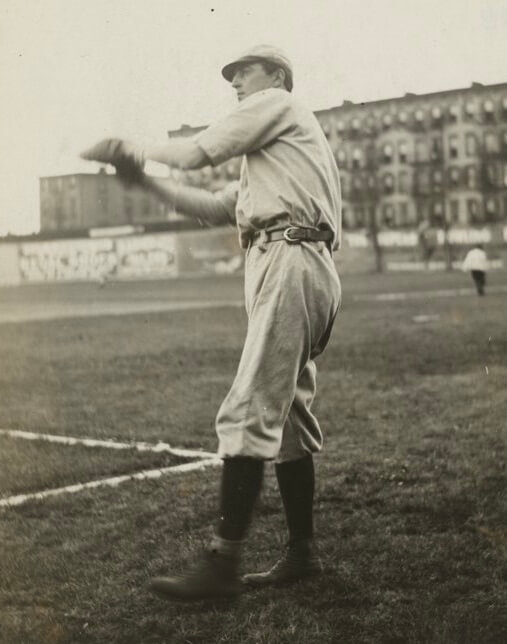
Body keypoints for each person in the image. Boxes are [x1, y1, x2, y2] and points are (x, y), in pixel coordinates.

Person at [81, 44, 342, 601]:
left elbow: (202, 150)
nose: (236, 83)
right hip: (296, 261)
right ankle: (302, 553)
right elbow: (215, 205)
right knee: (289, 415)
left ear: (277, 76)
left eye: (242, 72)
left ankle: (223, 566)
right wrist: (143, 181)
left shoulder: (279, 104)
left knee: (249, 409)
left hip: (290, 258)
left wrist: (133, 149)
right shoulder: (274, 161)